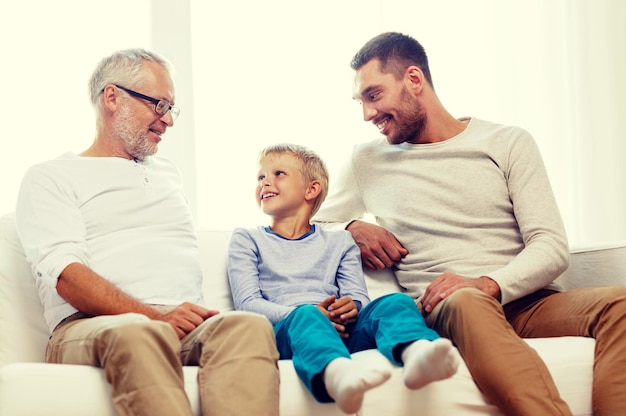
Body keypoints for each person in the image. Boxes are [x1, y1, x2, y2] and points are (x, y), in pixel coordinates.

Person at [312, 31, 626, 416]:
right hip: (449, 307)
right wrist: (351, 228)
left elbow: (550, 245)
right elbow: (314, 221)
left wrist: (488, 283)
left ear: (414, 80)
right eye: (360, 101)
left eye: (373, 95)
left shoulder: (506, 142)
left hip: (527, 302)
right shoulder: (367, 161)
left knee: (621, 304)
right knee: (466, 300)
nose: (366, 114)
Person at [15, 48, 279, 416]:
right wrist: (154, 316)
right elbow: (68, 277)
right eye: (159, 105)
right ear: (112, 97)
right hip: (93, 326)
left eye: (172, 108)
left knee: (245, 326)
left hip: (178, 322)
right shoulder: (50, 176)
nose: (168, 120)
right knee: (141, 332)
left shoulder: (169, 174)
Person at [227, 143, 459, 415]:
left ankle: (417, 352)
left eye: (278, 173)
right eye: (260, 177)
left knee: (395, 302)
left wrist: (351, 307)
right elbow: (248, 303)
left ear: (311, 190)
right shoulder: (247, 238)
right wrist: (313, 313)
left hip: (342, 330)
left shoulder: (340, 241)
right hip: (289, 331)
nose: (265, 182)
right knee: (306, 315)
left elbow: (357, 295)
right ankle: (338, 374)